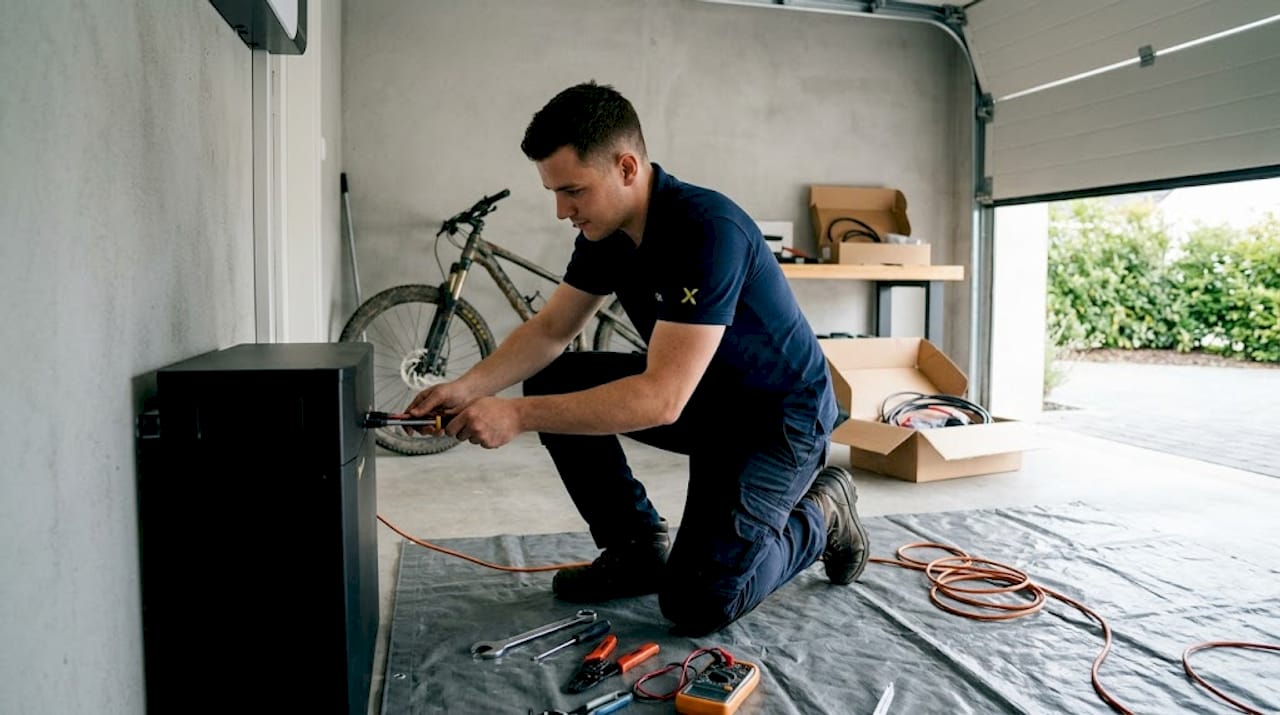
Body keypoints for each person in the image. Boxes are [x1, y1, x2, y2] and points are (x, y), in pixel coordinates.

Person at [402, 81, 868, 635]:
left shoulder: (707, 230)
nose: (560, 211)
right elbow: (552, 330)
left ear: (626, 167)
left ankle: (824, 511)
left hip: (775, 419)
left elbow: (661, 398)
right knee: (556, 373)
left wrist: (518, 416)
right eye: (554, 192)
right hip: (702, 397)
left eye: (572, 191)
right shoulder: (606, 233)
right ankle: (635, 548)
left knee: (698, 604)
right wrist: (470, 387)